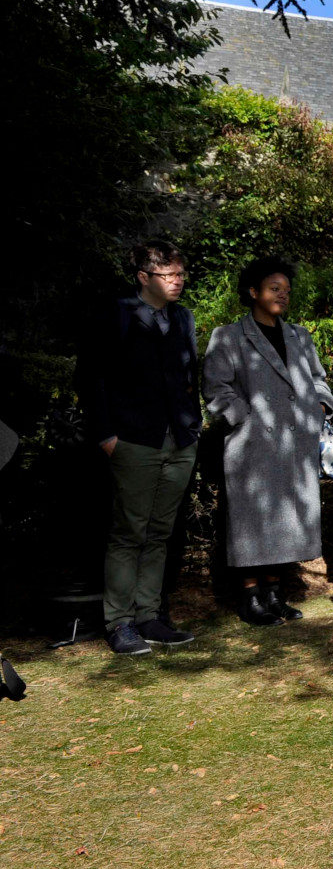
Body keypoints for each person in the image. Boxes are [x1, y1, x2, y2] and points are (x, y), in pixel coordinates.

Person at [76, 240, 203, 655]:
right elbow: (92, 379)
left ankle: (149, 616)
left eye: (180, 274)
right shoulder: (117, 315)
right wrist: (107, 436)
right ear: (144, 278)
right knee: (129, 532)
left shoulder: (183, 318)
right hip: (133, 439)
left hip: (179, 439)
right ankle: (120, 622)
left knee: (160, 531)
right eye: (169, 275)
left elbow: (189, 374)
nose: (178, 281)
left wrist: (193, 423)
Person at [202, 257, 333, 626]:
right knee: (252, 521)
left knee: (288, 519)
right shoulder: (228, 336)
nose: (282, 295)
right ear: (253, 292)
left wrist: (321, 405)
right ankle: (250, 598)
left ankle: (275, 594)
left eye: (287, 291)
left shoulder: (299, 335)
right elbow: (215, 387)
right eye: (275, 289)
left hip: (298, 441)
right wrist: (242, 417)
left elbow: (318, 377)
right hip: (252, 443)